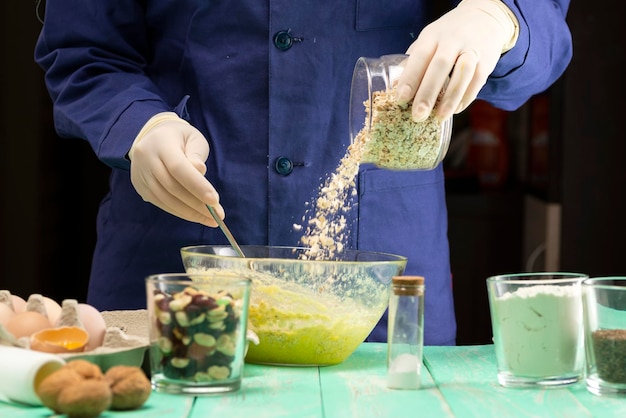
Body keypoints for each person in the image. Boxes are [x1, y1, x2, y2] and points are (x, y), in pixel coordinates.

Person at [35, 0, 572, 346]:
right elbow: (82, 49)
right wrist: (137, 124)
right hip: (173, 257)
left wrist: (498, 17)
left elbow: (540, 25)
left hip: (382, 285)